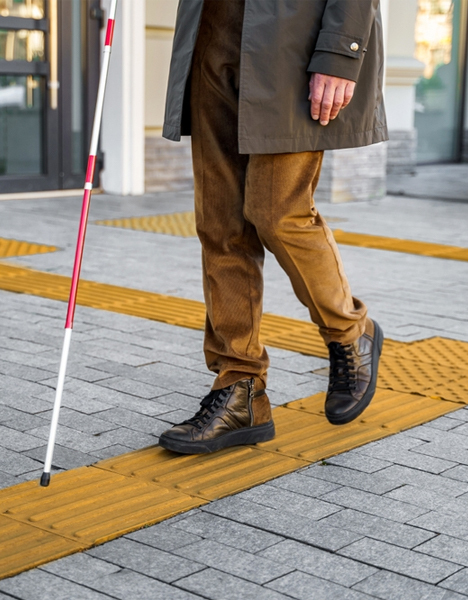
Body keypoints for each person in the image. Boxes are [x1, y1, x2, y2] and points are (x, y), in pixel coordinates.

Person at [158, 0, 387, 454]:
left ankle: (349, 331)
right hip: (212, 35)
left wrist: (341, 52)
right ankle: (241, 388)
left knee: (277, 211)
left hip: (293, 44)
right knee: (220, 226)